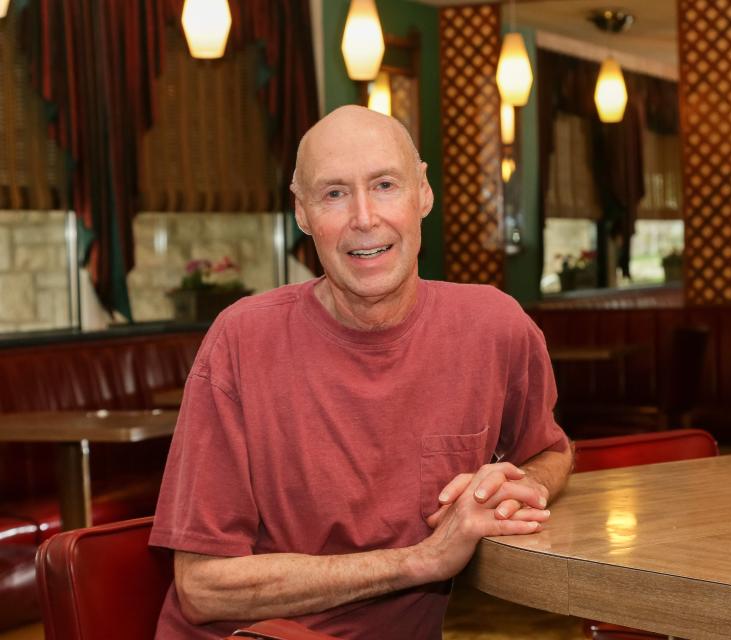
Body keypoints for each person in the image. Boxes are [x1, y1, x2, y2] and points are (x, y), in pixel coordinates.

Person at [149, 105, 573, 639]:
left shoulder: (494, 326)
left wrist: (518, 484)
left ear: (423, 193)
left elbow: (550, 450)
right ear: (302, 214)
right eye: (334, 194)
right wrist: (421, 560)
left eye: (385, 185)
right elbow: (202, 587)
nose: (365, 217)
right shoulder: (240, 341)